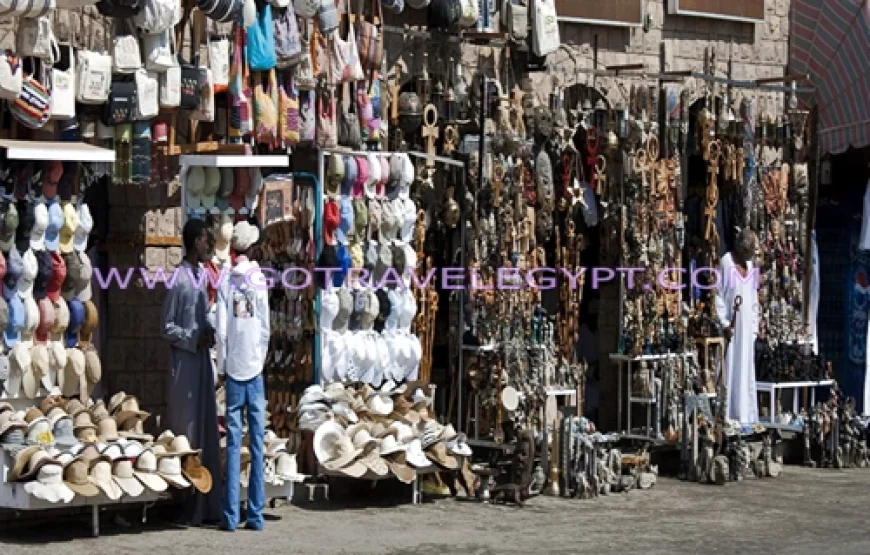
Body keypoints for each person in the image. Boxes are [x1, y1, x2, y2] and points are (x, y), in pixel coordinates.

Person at [161, 218, 222, 526]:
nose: (208, 244)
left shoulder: (200, 277)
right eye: (204, 239)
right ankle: (185, 504)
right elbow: (167, 327)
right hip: (185, 367)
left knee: (205, 432)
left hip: (201, 366)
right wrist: (191, 338)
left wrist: (208, 332)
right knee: (187, 434)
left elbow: (202, 319)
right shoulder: (178, 279)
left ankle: (206, 504)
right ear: (194, 242)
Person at [216, 221, 270, 532]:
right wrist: (259, 359)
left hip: (235, 366)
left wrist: (223, 365)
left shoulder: (226, 280)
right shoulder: (259, 279)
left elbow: (222, 330)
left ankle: (230, 516)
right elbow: (264, 327)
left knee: (234, 442)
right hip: (254, 367)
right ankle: (256, 515)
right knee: (258, 441)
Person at [715, 229, 760, 425]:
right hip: (732, 327)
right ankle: (729, 414)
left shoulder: (750, 266)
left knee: (746, 370)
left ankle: (746, 415)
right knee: (731, 368)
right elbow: (718, 295)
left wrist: (755, 326)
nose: (753, 254)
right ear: (742, 249)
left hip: (747, 328)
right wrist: (724, 323)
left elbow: (754, 297)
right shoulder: (726, 263)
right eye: (751, 250)